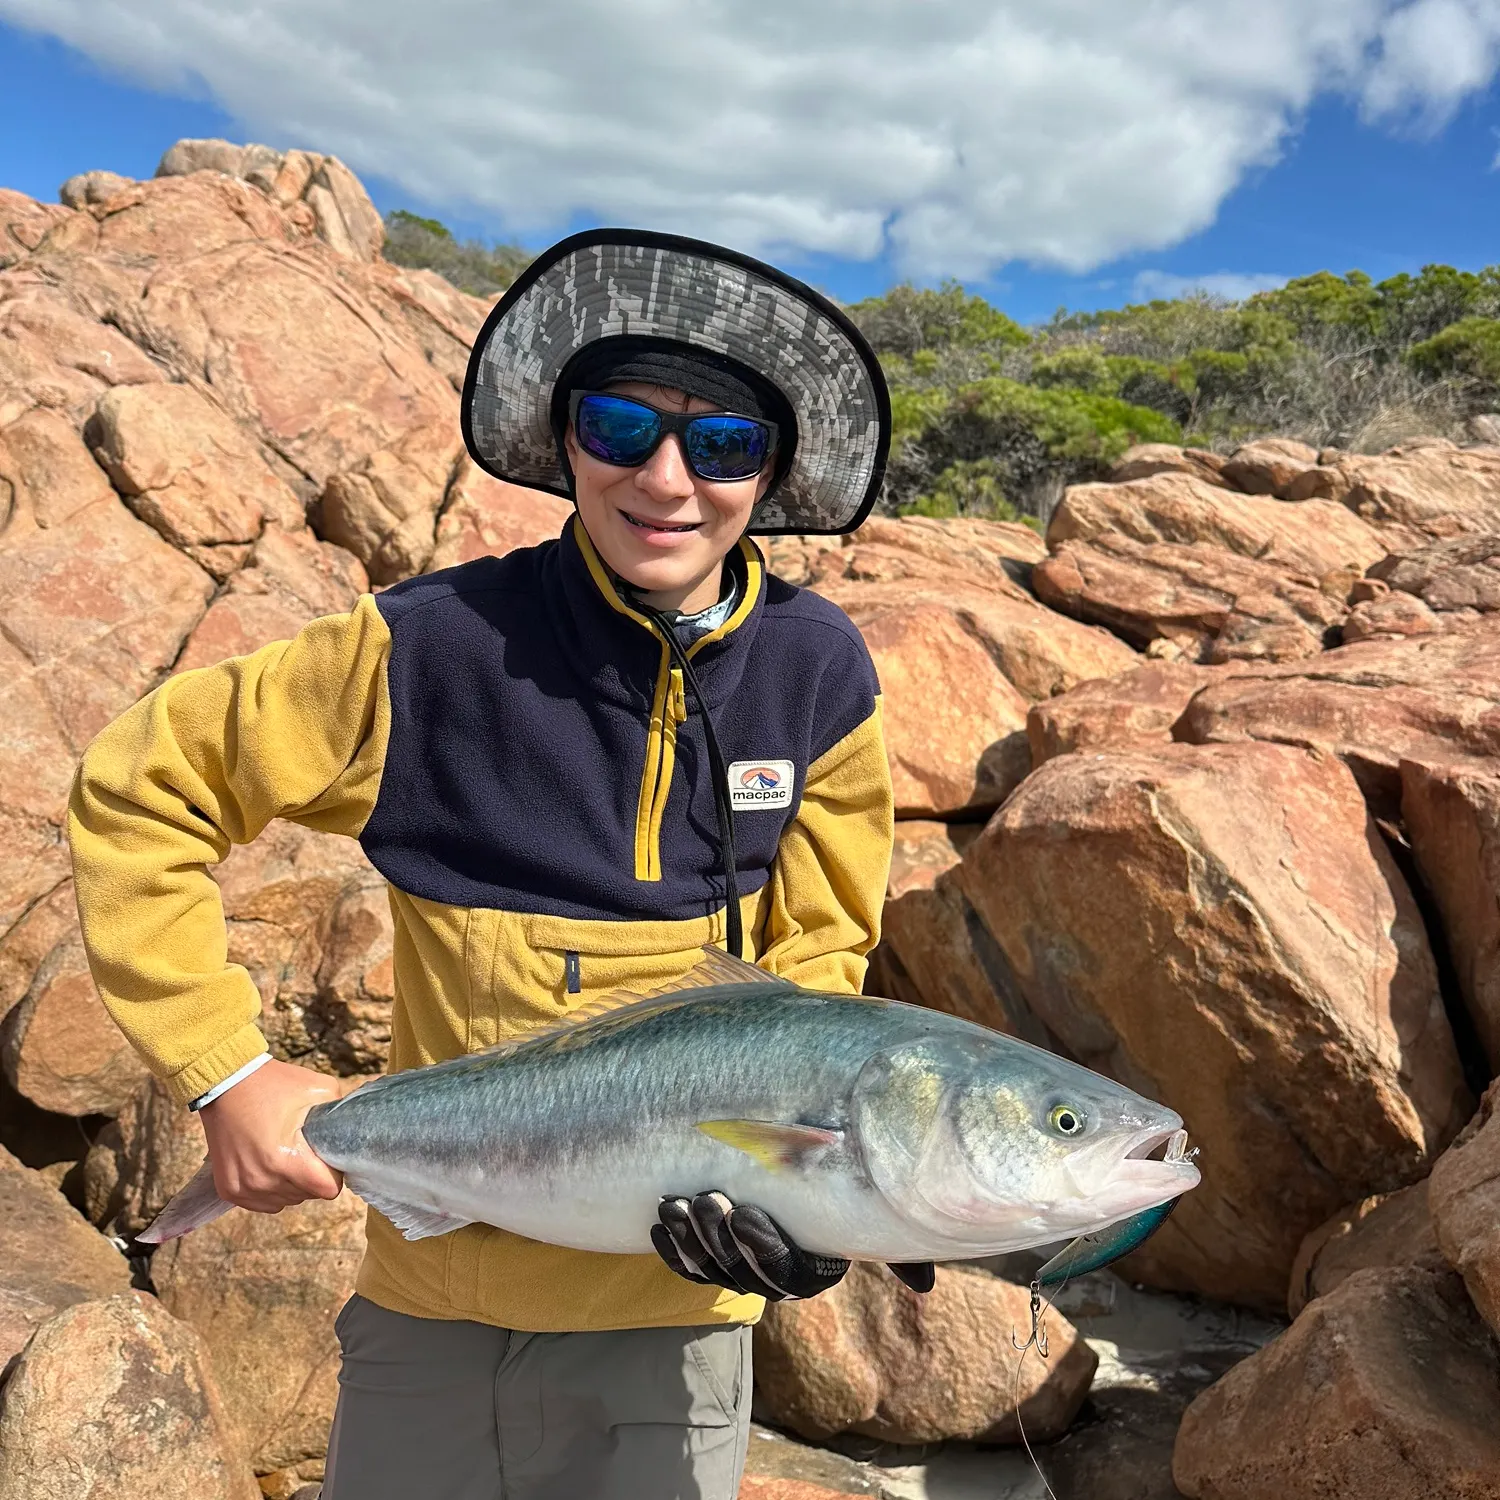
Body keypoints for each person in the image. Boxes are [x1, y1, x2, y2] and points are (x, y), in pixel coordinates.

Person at [69, 229, 903, 1500]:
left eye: (725, 442)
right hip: (438, 1314)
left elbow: (823, 971)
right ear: (567, 438)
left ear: (772, 471)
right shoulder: (432, 649)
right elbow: (143, 788)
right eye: (622, 425)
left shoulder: (819, 671)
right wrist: (223, 1069)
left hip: (679, 1331)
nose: (668, 479)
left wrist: (815, 1225)